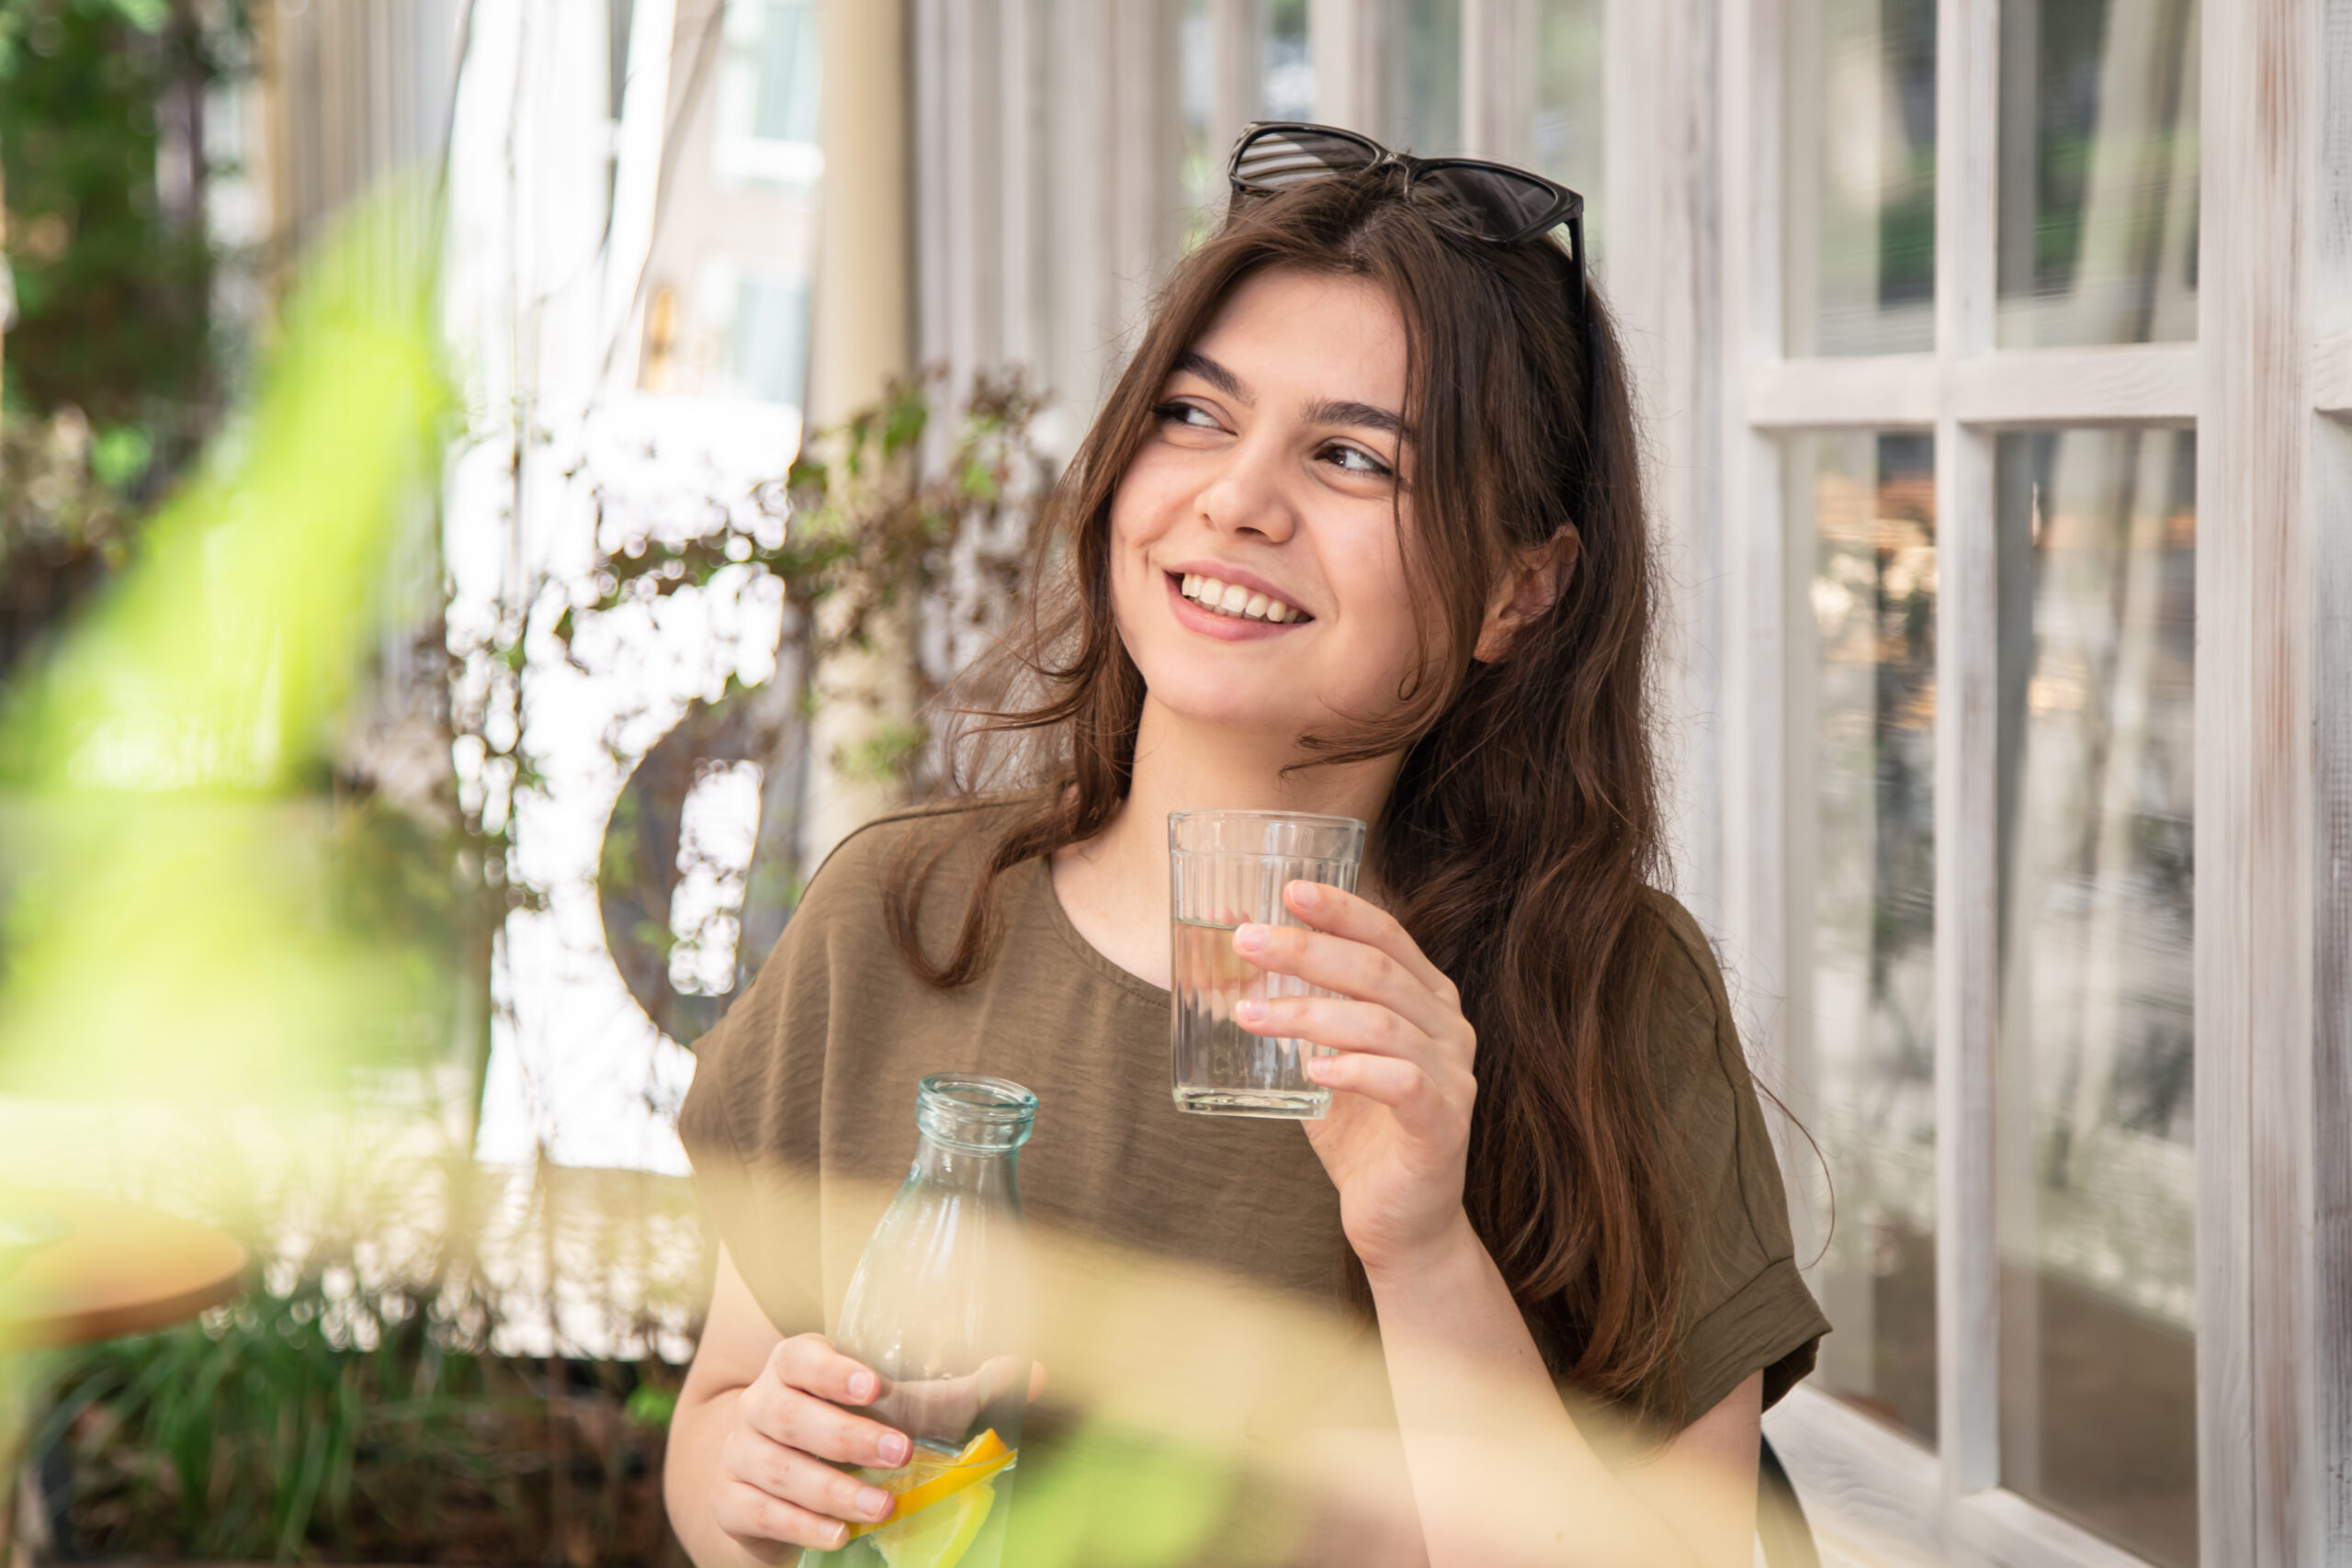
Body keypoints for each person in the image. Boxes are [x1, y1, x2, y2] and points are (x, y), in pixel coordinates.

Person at [662, 124, 1829, 1568]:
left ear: (1522, 590)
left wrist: (1422, 1244)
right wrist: (751, 1478)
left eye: (1350, 457)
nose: (1237, 498)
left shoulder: (1608, 997)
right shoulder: (904, 921)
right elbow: (721, 1424)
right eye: (1197, 417)